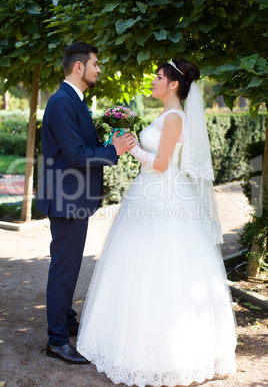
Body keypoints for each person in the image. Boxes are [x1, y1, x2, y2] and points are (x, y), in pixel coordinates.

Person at [77, 58, 237, 385]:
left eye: (159, 77)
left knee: (161, 265)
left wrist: (132, 147)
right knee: (137, 264)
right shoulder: (166, 115)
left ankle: (166, 351)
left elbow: (163, 164)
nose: (153, 81)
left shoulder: (175, 118)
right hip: (150, 192)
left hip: (165, 196)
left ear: (174, 84)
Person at [36, 42, 135, 364]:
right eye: (95, 64)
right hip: (66, 200)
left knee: (69, 266)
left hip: (72, 198)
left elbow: (78, 146)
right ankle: (57, 340)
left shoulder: (73, 101)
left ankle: (65, 320)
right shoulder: (62, 102)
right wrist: (113, 151)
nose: (99, 69)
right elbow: (77, 156)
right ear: (79, 67)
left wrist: (109, 143)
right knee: (64, 269)